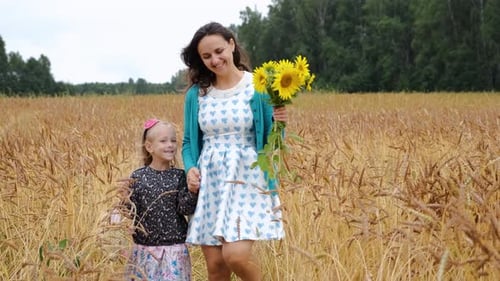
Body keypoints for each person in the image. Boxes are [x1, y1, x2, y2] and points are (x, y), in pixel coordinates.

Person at [180, 22, 286, 281]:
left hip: (247, 178)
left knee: (235, 256)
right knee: (216, 267)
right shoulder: (197, 95)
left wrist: (280, 123)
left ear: (231, 44)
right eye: (206, 56)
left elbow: (273, 143)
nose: (215, 60)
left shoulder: (259, 87)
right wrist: (190, 168)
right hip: (211, 182)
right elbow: (187, 143)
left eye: (218, 51)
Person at [124, 118, 198, 281]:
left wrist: (192, 192)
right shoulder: (138, 177)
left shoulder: (179, 176)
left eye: (173, 140)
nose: (170, 145)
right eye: (163, 141)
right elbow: (130, 211)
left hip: (174, 250)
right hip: (144, 250)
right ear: (149, 147)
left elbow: (184, 208)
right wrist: (121, 201)